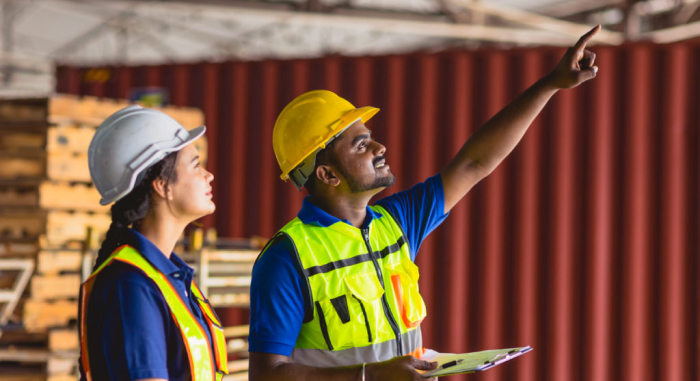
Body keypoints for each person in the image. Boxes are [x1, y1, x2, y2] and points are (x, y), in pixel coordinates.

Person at [248, 26, 602, 381]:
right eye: (360, 146)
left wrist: (550, 84)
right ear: (327, 175)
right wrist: (368, 377)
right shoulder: (287, 257)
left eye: (370, 139)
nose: (379, 148)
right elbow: (267, 375)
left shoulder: (396, 222)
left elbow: (472, 164)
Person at [78, 106, 229, 381]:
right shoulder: (131, 284)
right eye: (195, 165)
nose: (209, 176)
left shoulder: (170, 277)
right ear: (162, 186)